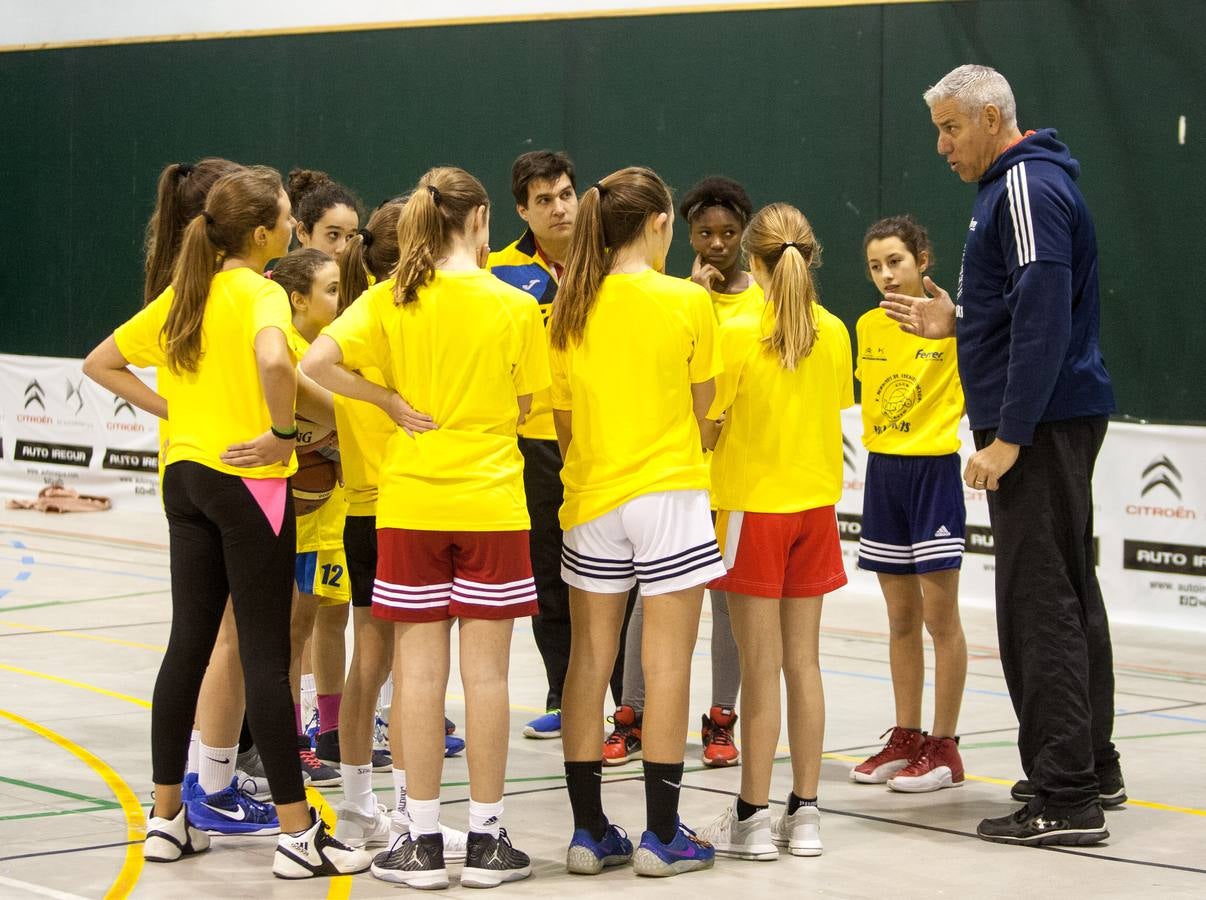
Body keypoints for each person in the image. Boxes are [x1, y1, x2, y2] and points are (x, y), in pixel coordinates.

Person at [83, 166, 371, 878]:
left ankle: (166, 820)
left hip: (184, 481)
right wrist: (281, 431)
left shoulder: (188, 292)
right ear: (264, 232)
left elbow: (101, 362)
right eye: (283, 214)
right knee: (267, 658)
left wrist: (178, 416)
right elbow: (275, 357)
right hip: (248, 485)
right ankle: (300, 836)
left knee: (186, 645)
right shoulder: (260, 291)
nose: (287, 220)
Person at [881, 63, 1121, 846]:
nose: (943, 146)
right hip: (1053, 418)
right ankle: (1088, 764)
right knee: (1067, 595)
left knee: (1040, 604)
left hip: (1040, 427)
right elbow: (1022, 306)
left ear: (992, 119)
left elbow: (1046, 313)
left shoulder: (1023, 188)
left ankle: (1066, 796)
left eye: (952, 128)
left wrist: (1008, 437)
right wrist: (961, 325)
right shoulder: (1016, 190)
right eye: (938, 130)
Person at [303, 166, 547, 889]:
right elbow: (529, 403)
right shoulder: (512, 304)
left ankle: (419, 841)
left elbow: (318, 359)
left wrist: (386, 400)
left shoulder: (387, 300)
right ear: (478, 222)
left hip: (409, 503)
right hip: (492, 502)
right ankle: (488, 838)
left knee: (416, 675)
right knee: (489, 676)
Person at [552, 166, 726, 878]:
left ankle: (589, 832)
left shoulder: (569, 307)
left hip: (592, 495)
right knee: (666, 663)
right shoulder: (687, 300)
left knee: (588, 662)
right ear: (659, 224)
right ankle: (662, 834)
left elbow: (562, 427)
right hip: (670, 493)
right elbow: (706, 412)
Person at [695, 203, 851, 861]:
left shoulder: (733, 331)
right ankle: (806, 813)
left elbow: (704, 428)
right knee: (802, 664)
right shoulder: (835, 331)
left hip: (751, 512)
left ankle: (753, 816)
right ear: (809, 257)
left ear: (752, 261)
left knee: (758, 670)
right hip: (814, 511)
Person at [325, 199, 468, 858]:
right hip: (409, 511)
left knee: (370, 666)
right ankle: (415, 812)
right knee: (416, 672)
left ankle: (357, 807)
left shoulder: (354, 319)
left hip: (360, 511)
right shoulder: (407, 319)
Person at [603, 176, 756, 769]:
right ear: (682, 232)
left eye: (728, 233)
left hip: (732, 475)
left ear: (743, 236)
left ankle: (721, 720)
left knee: (723, 605)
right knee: (650, 597)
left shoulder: (761, 299)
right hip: (669, 472)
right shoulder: (668, 293)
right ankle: (633, 713)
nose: (716, 243)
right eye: (704, 232)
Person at [849, 215, 969, 793]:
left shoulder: (956, 323)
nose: (885, 275)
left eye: (895, 261)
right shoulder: (867, 326)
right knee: (900, 619)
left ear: (922, 258)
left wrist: (957, 332)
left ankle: (945, 748)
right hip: (884, 474)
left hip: (934, 475)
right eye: (875, 266)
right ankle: (907, 736)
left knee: (940, 617)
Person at [487, 150, 579, 740]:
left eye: (566, 193)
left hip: (604, 437)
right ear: (522, 209)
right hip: (534, 442)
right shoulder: (496, 270)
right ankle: (563, 691)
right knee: (548, 574)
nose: (558, 207)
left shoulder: (611, 260)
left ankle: (627, 704)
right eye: (543, 199)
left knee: (610, 577)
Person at [287, 168, 362, 259]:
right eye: (333, 234)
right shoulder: (278, 273)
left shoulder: (361, 273)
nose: (343, 249)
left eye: (350, 237)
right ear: (302, 232)